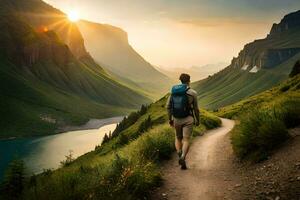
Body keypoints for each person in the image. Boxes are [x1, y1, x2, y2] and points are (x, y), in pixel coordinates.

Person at [166, 73, 200, 169]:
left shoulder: (173, 92)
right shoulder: (193, 93)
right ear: (189, 80)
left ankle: (179, 153)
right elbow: (196, 109)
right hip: (188, 119)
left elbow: (168, 107)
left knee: (178, 137)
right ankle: (183, 157)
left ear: (180, 80)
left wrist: (170, 119)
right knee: (186, 139)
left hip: (176, 119)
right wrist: (197, 120)